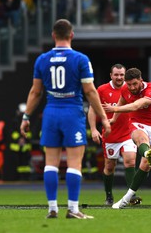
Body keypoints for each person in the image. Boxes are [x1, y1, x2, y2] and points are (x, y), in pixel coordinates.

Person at [20, 19, 111, 219]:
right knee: (74, 163)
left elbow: (35, 92)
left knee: (50, 163)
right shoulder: (80, 59)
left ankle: (52, 208)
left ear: (53, 36)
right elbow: (90, 91)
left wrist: (26, 116)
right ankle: (73, 209)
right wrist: (103, 118)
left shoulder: (42, 59)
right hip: (71, 112)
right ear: (72, 35)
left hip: (51, 112)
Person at [102, 67, 151, 209]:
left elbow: (136, 105)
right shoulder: (125, 89)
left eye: (134, 84)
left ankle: (126, 198)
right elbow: (121, 102)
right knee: (141, 139)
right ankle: (147, 153)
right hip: (136, 123)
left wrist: (114, 110)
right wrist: (113, 120)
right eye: (129, 84)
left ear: (141, 81)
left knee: (146, 166)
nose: (131, 87)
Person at [87, 64, 141, 206]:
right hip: (110, 134)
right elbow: (92, 110)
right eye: (116, 75)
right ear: (111, 75)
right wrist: (93, 129)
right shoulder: (102, 90)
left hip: (129, 133)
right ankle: (109, 196)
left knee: (130, 161)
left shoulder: (131, 88)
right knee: (110, 166)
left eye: (122, 75)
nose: (119, 77)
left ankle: (131, 196)